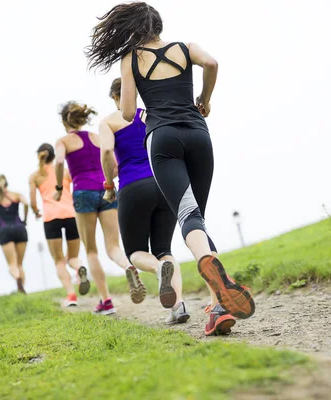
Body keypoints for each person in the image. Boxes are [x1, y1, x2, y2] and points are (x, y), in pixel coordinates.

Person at [86, 2, 255, 335]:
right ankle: (219, 307)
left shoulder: (131, 59)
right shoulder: (185, 47)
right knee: (198, 220)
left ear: (132, 29)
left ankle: (217, 292)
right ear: (159, 25)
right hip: (198, 134)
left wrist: (134, 94)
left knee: (188, 217)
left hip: (163, 139)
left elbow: (128, 111)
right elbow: (213, 63)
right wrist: (205, 98)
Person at [99, 78, 189, 325]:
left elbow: (106, 152)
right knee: (164, 250)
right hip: (164, 183)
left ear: (115, 97)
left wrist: (108, 184)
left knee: (135, 251)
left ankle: (160, 272)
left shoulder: (108, 121)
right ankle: (178, 307)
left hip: (132, 187)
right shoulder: (151, 114)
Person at [53, 101, 146, 315]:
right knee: (113, 247)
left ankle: (106, 301)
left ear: (64, 121)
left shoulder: (63, 141)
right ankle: (127, 266)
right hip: (106, 191)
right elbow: (113, 165)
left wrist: (59, 188)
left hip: (83, 193)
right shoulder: (97, 137)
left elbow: (58, 163)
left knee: (91, 250)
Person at [29, 143, 90, 307]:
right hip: (71, 215)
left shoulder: (35, 176)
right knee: (73, 257)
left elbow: (33, 202)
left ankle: (71, 295)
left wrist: (36, 212)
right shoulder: (64, 171)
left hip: (51, 218)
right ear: (53, 155)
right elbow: (76, 187)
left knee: (59, 261)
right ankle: (79, 268)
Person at [0, 175, 29, 294]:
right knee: (20, 264)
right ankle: (22, 291)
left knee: (12, 265)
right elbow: (26, 204)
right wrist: (24, 219)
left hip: (5, 230)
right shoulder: (16, 195)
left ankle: (17, 279)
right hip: (20, 228)